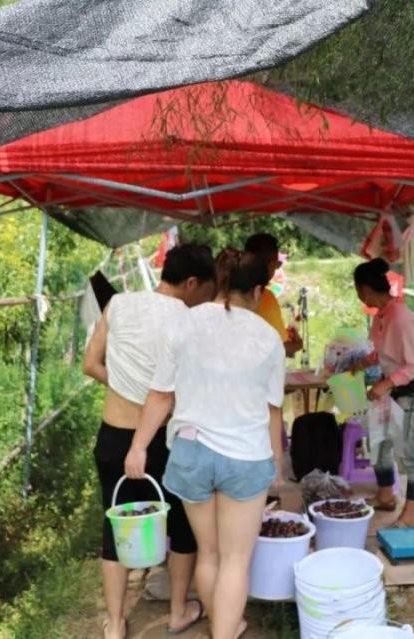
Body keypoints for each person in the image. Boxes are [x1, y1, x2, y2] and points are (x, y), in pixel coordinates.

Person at [125, 250, 286, 639]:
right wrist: (276, 468)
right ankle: (227, 629)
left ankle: (223, 627)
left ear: (218, 280)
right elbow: (273, 411)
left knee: (209, 553)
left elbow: (160, 395)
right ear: (259, 290)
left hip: (191, 452)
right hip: (245, 457)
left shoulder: (183, 324)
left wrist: (138, 446)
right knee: (235, 561)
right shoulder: (268, 338)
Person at [82, 244, 216, 639]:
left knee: (115, 527)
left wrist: (124, 385)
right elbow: (186, 388)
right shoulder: (188, 320)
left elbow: (90, 364)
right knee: (182, 526)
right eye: (206, 289)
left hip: (112, 438)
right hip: (164, 441)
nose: (206, 298)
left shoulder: (119, 304)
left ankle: (116, 623)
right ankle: (177, 612)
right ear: (192, 283)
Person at [353, 258, 414, 528]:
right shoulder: (382, 315)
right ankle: (385, 495)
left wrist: (385, 383)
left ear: (365, 290)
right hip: (394, 387)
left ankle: (410, 512)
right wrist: (366, 362)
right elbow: (385, 351)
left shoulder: (401, 318)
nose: (358, 296)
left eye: (357, 290)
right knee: (379, 441)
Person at [244, 232, 304, 357]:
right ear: (271, 264)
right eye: (276, 265)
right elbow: (281, 348)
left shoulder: (225, 291)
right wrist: (296, 345)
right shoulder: (266, 297)